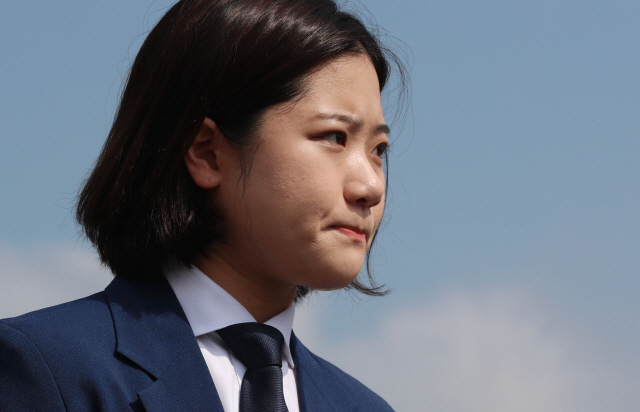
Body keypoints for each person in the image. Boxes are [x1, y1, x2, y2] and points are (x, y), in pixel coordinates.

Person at [0, 0, 407, 410]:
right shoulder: (49, 369)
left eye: (378, 150)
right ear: (207, 153)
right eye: (335, 137)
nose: (371, 187)